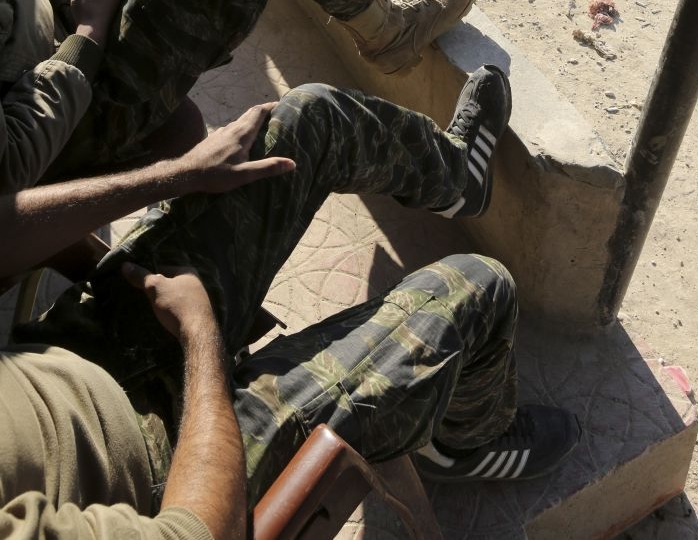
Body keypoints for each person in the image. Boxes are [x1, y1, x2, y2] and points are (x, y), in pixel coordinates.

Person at [0, 66, 580, 538]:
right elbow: (199, 531)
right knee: (480, 289)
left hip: (77, 343)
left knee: (305, 120)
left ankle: (457, 179)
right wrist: (201, 336)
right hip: (171, 473)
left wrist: (174, 182)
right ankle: (461, 443)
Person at [0, 0, 473, 193]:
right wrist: (89, 28)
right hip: (67, 109)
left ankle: (383, 29)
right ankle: (387, 32)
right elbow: (13, 159)